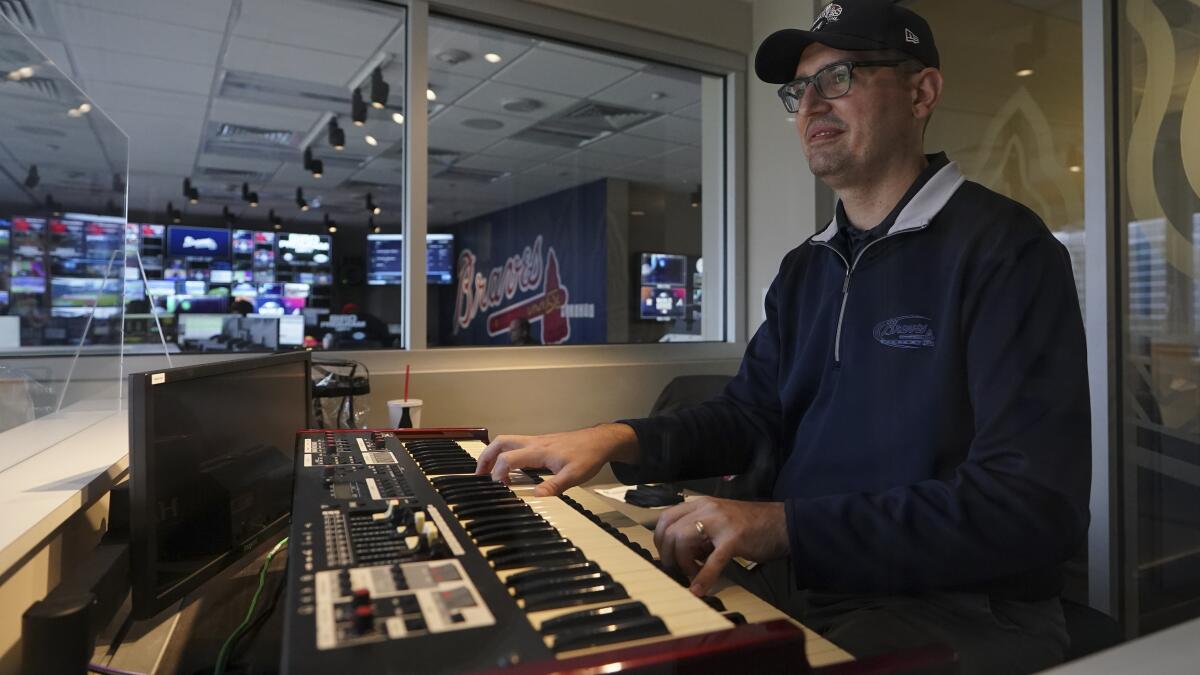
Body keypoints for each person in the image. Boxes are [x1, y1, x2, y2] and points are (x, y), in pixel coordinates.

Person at [474, 2, 1090, 673]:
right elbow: (751, 413)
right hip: (811, 575)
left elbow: (1030, 507)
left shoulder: (1006, 250)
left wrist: (783, 525)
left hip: (957, 604)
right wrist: (613, 437)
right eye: (798, 90)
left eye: (840, 78)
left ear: (922, 92)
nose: (810, 107)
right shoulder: (807, 266)